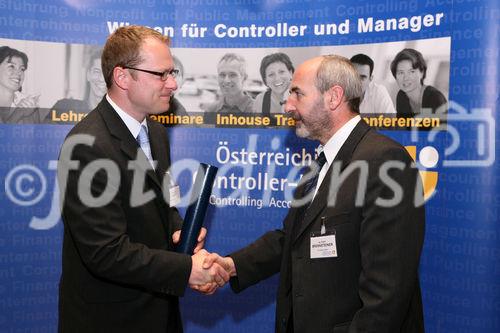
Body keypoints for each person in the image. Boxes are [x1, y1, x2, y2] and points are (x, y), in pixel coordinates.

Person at [204, 55, 425, 332]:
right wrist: (231, 265)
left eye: (297, 94)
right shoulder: (320, 162)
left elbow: (386, 296)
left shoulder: (385, 163)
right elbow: (295, 238)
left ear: (333, 97)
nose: (288, 105)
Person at [57, 25, 229, 333]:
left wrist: (179, 232)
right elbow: (106, 252)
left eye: (172, 72)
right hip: (110, 321)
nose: (173, 84)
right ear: (123, 77)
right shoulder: (86, 146)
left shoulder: (156, 133)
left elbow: (163, 203)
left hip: (159, 313)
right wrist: (186, 269)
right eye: (161, 74)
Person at [390, 48, 447, 117]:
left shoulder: (435, 98)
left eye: (412, 72)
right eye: (401, 72)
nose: (405, 78)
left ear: (422, 73)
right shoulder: (402, 95)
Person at [51, 46, 107, 116]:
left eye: (106, 72)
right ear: (88, 75)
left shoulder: (116, 116)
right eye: (96, 71)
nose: (102, 78)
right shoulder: (65, 108)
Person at [0, 46, 48, 123]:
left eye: (22, 69)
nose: (19, 73)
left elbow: (37, 134)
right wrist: (17, 114)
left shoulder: (29, 104)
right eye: (11, 66)